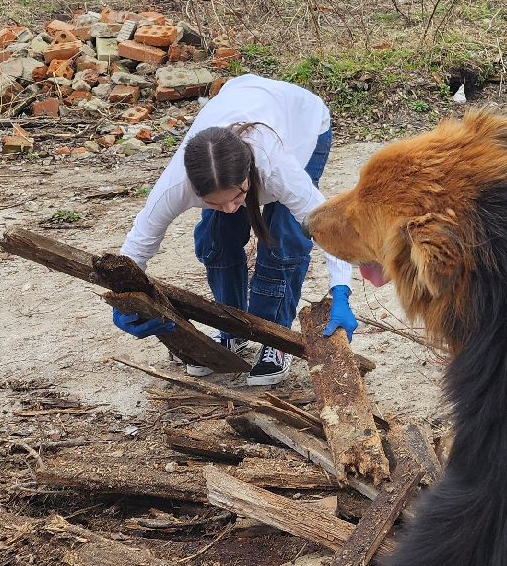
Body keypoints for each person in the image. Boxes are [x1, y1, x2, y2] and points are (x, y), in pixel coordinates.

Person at [114, 72, 358, 385]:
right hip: (243, 100)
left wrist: (341, 291)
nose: (232, 208)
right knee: (215, 236)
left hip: (305, 125)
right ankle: (233, 327)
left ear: (248, 176)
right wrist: (122, 299)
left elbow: (329, 228)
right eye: (216, 203)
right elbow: (139, 244)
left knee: (285, 238)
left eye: (238, 197)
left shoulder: (277, 169)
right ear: (196, 190)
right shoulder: (176, 184)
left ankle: (275, 337)